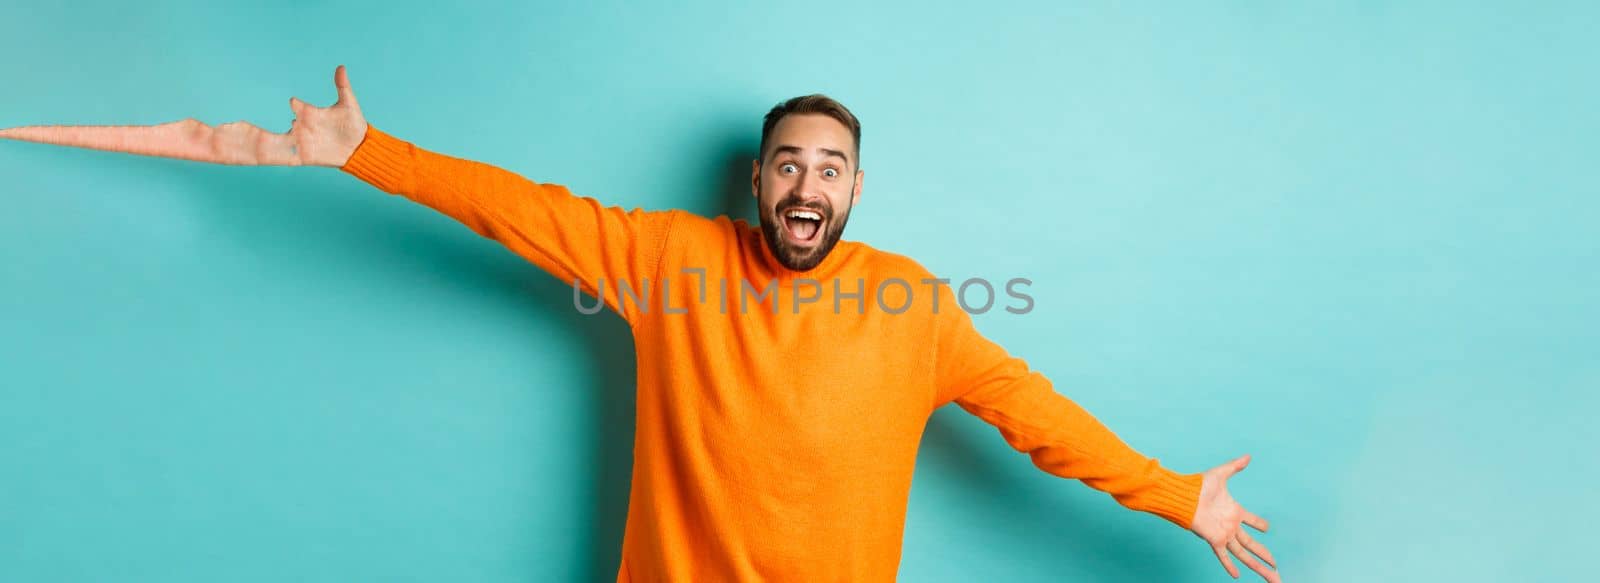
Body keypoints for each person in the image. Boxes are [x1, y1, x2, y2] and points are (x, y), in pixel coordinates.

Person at [1, 65, 1280, 582]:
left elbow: (1038, 422)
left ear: (856, 189)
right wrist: (366, 152)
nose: (805, 184)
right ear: (756, 180)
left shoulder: (915, 307)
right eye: (787, 163)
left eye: (829, 167)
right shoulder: (670, 262)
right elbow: (518, 212)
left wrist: (1182, 498)